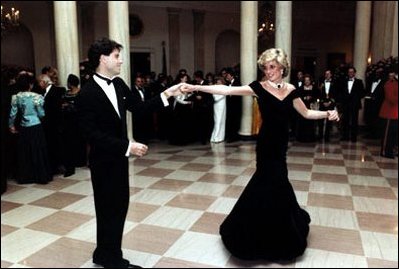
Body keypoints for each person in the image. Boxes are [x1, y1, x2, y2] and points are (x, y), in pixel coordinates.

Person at [182, 48, 339, 261]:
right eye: (265, 68)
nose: (268, 71)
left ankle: (280, 229)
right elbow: (227, 91)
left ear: (282, 67)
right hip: (266, 144)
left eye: (272, 67)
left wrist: (327, 114)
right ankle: (254, 231)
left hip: (281, 144)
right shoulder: (259, 87)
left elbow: (306, 112)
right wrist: (193, 86)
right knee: (270, 181)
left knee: (278, 182)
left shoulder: (292, 89)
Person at [76, 37, 181, 268]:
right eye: (116, 56)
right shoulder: (87, 93)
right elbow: (91, 134)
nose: (121, 60)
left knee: (119, 207)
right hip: (104, 162)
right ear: (103, 59)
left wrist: (167, 94)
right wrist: (127, 146)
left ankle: (104, 253)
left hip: (119, 161)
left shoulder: (120, 83)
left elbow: (140, 108)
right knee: (107, 209)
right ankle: (110, 258)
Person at [8, 73, 52, 184]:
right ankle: (41, 175)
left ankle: (27, 176)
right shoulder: (37, 97)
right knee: (38, 150)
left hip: (24, 127)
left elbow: (12, 114)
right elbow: (41, 114)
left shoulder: (16, 97)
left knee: (25, 152)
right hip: (36, 126)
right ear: (30, 85)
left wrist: (11, 126)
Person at [379, 71, 398, 159]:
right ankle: (386, 151)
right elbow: (391, 98)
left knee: (394, 134)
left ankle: (392, 150)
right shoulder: (390, 83)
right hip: (389, 112)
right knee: (388, 134)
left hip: (395, 112)